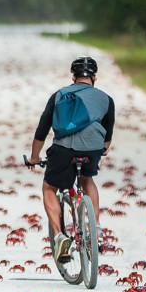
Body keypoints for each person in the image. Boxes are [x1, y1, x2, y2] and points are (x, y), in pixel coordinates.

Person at [25, 55, 116, 262]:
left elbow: (42, 131)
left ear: (73, 76)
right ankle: (97, 227)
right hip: (92, 150)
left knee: (49, 188)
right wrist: (100, 150)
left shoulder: (59, 96)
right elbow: (107, 140)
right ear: (95, 77)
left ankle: (59, 237)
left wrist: (34, 157)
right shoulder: (106, 99)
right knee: (87, 178)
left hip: (64, 150)